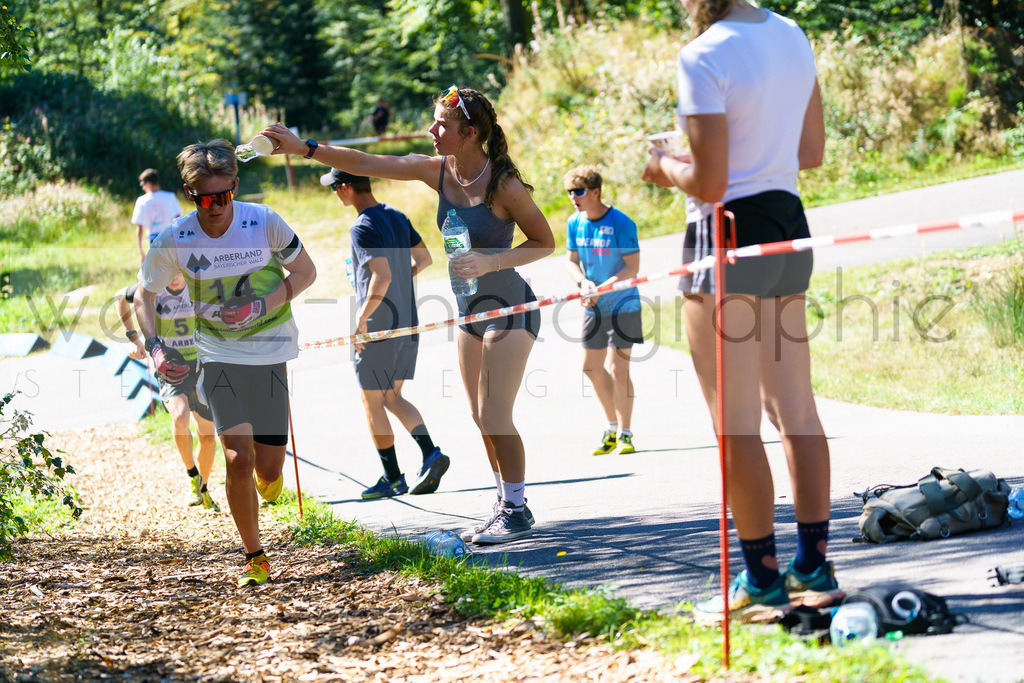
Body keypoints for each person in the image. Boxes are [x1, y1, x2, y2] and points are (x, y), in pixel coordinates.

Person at [262, 84, 554, 545]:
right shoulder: (438, 171)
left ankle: (516, 510)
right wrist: (305, 148)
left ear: (470, 132)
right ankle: (505, 504)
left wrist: (493, 260)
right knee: (480, 417)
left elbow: (544, 241)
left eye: (442, 124)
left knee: (497, 416)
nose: (432, 130)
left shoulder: (503, 183)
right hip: (469, 311)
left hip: (510, 309)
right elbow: (370, 164)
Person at [642, 0, 841, 622]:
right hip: (788, 226)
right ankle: (814, 567)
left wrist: (662, 164)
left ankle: (760, 581)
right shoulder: (791, 33)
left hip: (726, 237)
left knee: (734, 423)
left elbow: (709, 182)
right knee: (797, 409)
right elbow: (810, 152)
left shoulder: (705, 54)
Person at [135, 139, 317, 588]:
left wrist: (262, 305)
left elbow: (307, 272)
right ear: (189, 193)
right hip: (217, 356)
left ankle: (268, 484)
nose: (214, 207)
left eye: (223, 195)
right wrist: (155, 346)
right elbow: (145, 295)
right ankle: (255, 557)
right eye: (203, 198)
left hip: (271, 351)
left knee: (268, 471)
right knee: (237, 458)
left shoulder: (264, 221)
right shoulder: (176, 236)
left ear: (235, 186)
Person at [321, 168, 451, 499]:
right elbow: (424, 259)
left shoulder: (362, 226)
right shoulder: (395, 215)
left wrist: (361, 320)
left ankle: (393, 478)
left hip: (379, 327)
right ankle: (431, 454)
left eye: (336, 188)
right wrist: (401, 277)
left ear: (347, 188)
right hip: (407, 321)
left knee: (371, 400)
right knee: (392, 397)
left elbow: (381, 277)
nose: (335, 194)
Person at [114, 273, 219, 511]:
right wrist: (133, 338)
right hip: (170, 365)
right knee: (180, 416)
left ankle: (203, 487)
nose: (173, 277)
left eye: (178, 270)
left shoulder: (199, 285)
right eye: (167, 271)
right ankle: (191, 474)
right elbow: (120, 296)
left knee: (207, 435)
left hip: (201, 366)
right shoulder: (152, 289)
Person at [563, 164, 642, 456]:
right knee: (591, 367)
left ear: (595, 191)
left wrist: (604, 286)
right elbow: (571, 260)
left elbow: (632, 267)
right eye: (570, 191)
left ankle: (626, 432)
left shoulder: (621, 222)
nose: (574, 196)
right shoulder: (575, 222)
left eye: (579, 191)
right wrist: (583, 282)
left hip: (623, 304)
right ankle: (611, 427)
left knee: (617, 368)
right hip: (593, 305)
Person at [132, 169, 182, 264]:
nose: (142, 187)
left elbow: (139, 228)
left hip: (153, 240)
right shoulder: (170, 197)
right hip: (170, 238)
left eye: (142, 184)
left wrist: (141, 253)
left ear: (148, 183)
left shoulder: (141, 201)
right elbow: (178, 221)